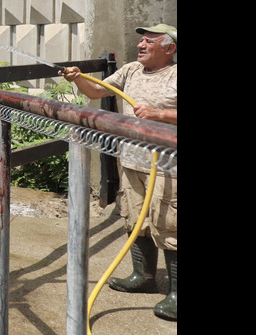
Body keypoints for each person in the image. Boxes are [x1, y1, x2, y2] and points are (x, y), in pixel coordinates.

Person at [61, 23, 177, 321]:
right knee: (135, 219)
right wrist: (78, 80)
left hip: (167, 166)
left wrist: (159, 114)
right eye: (141, 40)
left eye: (149, 41)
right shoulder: (130, 71)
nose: (141, 44)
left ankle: (176, 294)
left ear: (169, 48)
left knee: (170, 226)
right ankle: (144, 277)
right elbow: (98, 91)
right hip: (131, 160)